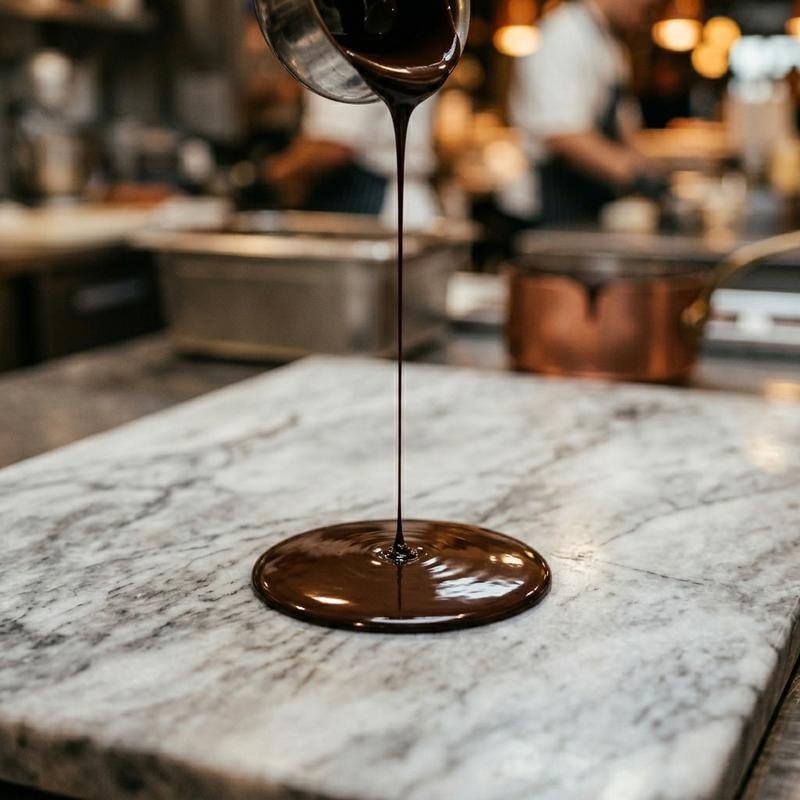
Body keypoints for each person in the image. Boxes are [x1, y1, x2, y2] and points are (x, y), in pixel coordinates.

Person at [504, 0, 667, 225]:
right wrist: (636, 176)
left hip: (588, 198)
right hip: (554, 201)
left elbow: (624, 125)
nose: (646, 9)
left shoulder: (609, 43)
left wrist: (651, 169)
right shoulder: (562, 35)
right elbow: (564, 134)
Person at [264, 90, 440, 229]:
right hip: (407, 205)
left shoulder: (348, 49)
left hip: (378, 207)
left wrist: (270, 176)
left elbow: (333, 146)